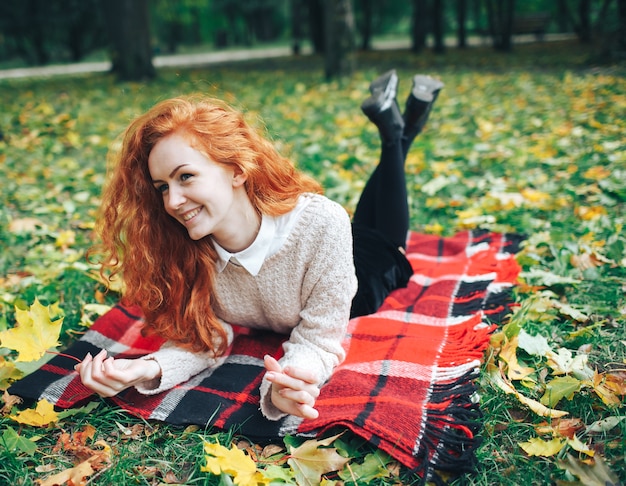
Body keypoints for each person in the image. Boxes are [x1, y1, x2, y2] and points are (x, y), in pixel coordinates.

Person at [76, 70, 444, 421]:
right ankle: (400, 128)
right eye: (163, 187)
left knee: (386, 239)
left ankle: (396, 134)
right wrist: (145, 367)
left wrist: (291, 382)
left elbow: (318, 340)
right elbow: (204, 337)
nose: (172, 202)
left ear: (237, 170)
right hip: (333, 245)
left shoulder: (321, 222)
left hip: (367, 271)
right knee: (365, 221)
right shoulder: (186, 248)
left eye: (185, 177)